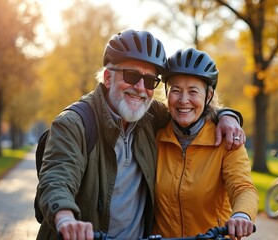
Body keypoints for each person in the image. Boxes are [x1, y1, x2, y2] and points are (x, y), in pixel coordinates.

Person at [36, 29, 245, 240]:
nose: (140, 88)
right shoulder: (74, 124)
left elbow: (189, 109)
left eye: (149, 81)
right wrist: (65, 219)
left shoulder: (150, 115)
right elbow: (57, 179)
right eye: (131, 76)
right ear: (108, 77)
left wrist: (227, 116)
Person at [152, 48, 259, 240]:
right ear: (167, 93)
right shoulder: (155, 136)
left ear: (208, 96)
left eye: (193, 91)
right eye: (175, 90)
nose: (183, 100)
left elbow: (243, 188)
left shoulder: (226, 141)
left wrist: (241, 214)